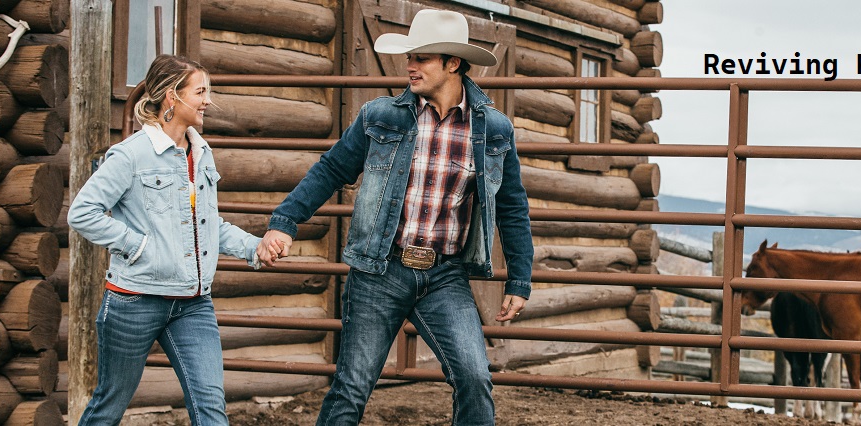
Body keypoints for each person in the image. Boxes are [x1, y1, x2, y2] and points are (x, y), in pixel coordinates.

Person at [257, 9, 533, 425]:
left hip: (445, 275)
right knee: (352, 386)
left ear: (452, 63)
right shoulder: (381, 115)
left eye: (421, 57)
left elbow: (512, 206)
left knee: (475, 378)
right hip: (379, 270)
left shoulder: (495, 130)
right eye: (410, 57)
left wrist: (520, 279)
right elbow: (331, 169)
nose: (410, 66)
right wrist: (284, 221)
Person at [68, 54, 276, 425]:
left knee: (211, 407)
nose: (208, 101)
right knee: (109, 406)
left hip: (193, 304)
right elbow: (82, 212)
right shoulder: (130, 155)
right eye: (200, 92)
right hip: (135, 300)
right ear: (171, 98)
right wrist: (138, 246)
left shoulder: (202, 154)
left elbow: (209, 224)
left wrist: (253, 247)